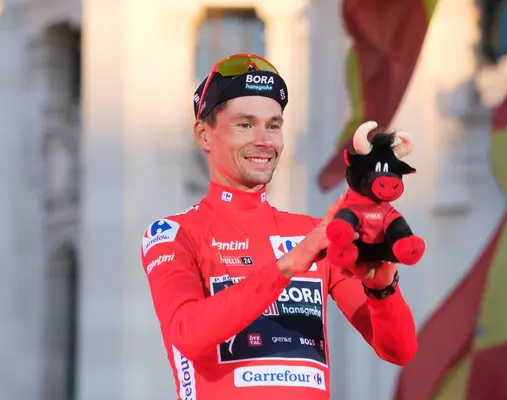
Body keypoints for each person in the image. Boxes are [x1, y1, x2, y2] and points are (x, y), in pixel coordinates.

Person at [140, 54, 418, 400]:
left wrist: (383, 288)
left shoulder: (314, 234)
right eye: (245, 124)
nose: (264, 140)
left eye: (273, 125)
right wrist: (288, 265)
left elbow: (399, 350)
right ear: (204, 135)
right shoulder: (173, 233)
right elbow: (187, 333)